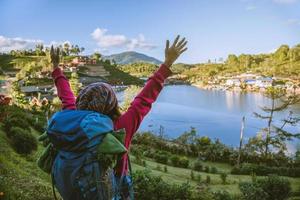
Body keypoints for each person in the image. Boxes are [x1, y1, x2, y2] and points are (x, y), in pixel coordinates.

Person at [49, 35, 187, 199]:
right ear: (111, 104)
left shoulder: (72, 121)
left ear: (81, 102)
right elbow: (143, 100)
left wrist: (56, 67)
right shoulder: (121, 127)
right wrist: (167, 64)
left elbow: (67, 97)